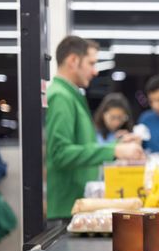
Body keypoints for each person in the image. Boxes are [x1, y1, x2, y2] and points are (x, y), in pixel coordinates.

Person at [46, 36, 145, 220]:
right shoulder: (61, 97)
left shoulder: (71, 96)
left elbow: (82, 144)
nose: (94, 71)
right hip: (66, 208)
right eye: (91, 63)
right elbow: (60, 153)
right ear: (73, 61)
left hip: (76, 205)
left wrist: (118, 144)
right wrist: (114, 150)